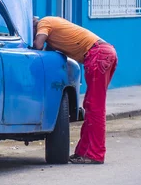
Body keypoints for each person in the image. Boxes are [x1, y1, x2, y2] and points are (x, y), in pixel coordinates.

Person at [32, 16, 118, 164]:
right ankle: (83, 152)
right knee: (91, 106)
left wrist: (33, 41)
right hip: (104, 53)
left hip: (98, 55)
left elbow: (38, 46)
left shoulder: (43, 23)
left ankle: (95, 154)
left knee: (95, 108)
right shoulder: (54, 29)